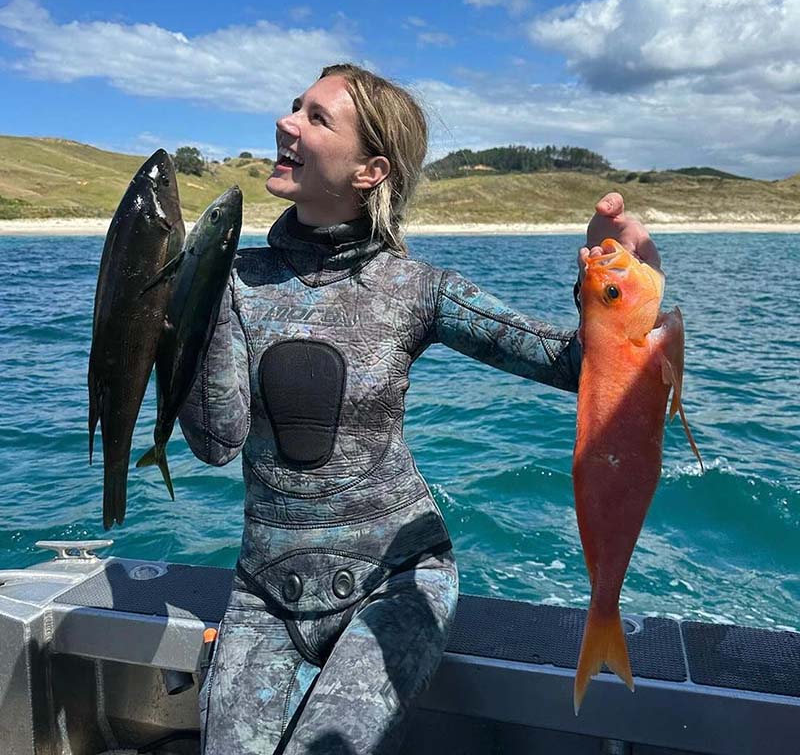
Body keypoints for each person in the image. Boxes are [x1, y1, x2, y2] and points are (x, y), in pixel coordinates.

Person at [179, 63, 660, 755]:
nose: (286, 123)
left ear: (371, 170)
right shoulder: (232, 279)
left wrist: (620, 281)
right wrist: (190, 307)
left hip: (398, 583)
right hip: (263, 593)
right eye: (294, 108)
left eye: (316, 118)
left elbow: (583, 371)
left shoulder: (418, 290)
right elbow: (217, 441)